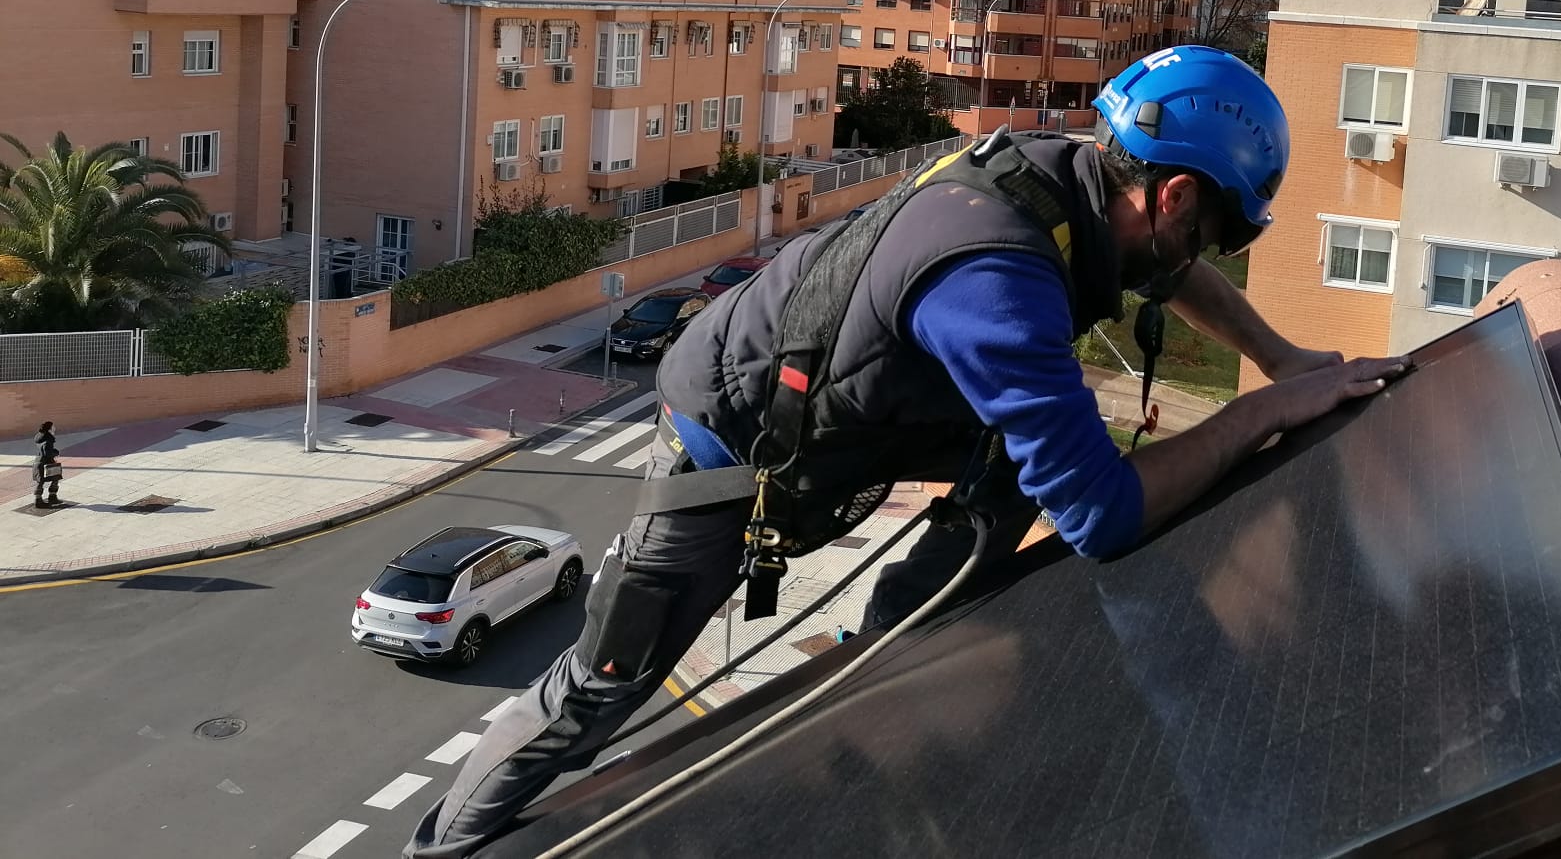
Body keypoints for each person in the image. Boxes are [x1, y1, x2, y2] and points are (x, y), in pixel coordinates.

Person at [408, 44, 1408, 856]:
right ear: (1173, 198)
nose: (1201, 262)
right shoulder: (997, 280)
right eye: (1210, 234)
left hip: (848, 399)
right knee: (604, 679)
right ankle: (444, 847)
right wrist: (1249, 419)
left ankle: (887, 653)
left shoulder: (1064, 176)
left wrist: (1283, 359)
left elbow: (1161, 273)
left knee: (1032, 448)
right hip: (724, 446)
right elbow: (1099, 517)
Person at [32, 421, 60, 508]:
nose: (54, 428)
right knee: (56, 476)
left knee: (40, 481)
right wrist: (56, 452)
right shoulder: (48, 440)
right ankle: (49, 497)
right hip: (45, 462)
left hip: (38, 461)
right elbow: (46, 452)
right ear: (49, 429)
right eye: (53, 426)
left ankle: (40, 499)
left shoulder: (40, 437)